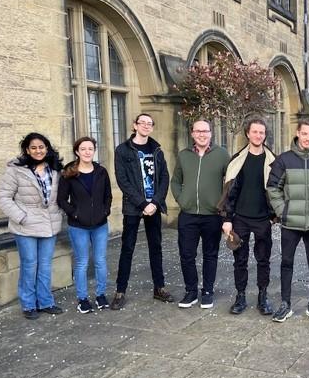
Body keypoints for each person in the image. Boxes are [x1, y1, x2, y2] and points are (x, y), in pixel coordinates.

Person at [267, 118, 309, 322]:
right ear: (297, 133)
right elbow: (272, 188)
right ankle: (285, 304)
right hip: (290, 222)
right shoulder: (284, 160)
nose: (307, 138)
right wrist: (282, 211)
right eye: (304, 133)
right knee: (287, 262)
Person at [0, 133, 65, 319]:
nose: (38, 151)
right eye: (33, 148)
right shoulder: (16, 170)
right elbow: (3, 197)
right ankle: (28, 304)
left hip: (49, 224)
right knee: (29, 265)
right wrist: (21, 216)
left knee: (45, 265)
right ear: (27, 150)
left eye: (41, 147)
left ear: (47, 148)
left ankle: (45, 302)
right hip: (25, 226)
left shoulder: (55, 169)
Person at [110, 113, 173, 310]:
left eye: (149, 123)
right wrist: (142, 203)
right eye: (142, 123)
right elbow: (123, 181)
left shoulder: (157, 150)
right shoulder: (123, 150)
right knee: (127, 248)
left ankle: (159, 288)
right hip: (133, 207)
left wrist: (155, 202)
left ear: (152, 128)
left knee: (156, 247)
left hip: (153, 206)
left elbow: (164, 178)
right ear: (134, 125)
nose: (146, 126)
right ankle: (120, 291)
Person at [219, 117, 277, 315]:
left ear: (264, 135)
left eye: (261, 132)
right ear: (247, 134)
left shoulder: (273, 161)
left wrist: (274, 217)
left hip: (263, 219)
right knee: (240, 260)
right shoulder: (237, 160)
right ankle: (240, 297)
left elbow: (279, 190)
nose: (258, 135)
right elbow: (228, 192)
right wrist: (227, 219)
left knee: (263, 260)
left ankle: (263, 296)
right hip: (240, 218)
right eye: (255, 132)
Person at [171, 119, 229, 309]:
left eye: (205, 131)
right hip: (188, 214)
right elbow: (176, 181)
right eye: (198, 131)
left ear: (211, 133)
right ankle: (190, 291)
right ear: (193, 134)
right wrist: (182, 199)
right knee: (186, 254)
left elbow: (230, 184)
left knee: (210, 255)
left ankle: (208, 291)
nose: (202, 134)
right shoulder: (184, 155)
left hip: (212, 214)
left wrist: (222, 206)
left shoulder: (222, 155)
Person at [57, 137, 113, 314]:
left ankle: (101, 295)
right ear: (77, 151)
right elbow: (61, 199)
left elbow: (108, 196)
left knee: (100, 261)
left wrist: (105, 211)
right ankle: (82, 299)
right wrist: (74, 213)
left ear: (94, 150)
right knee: (81, 262)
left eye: (90, 148)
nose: (87, 152)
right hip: (78, 226)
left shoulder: (101, 172)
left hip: (100, 225)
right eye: (83, 149)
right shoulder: (69, 172)